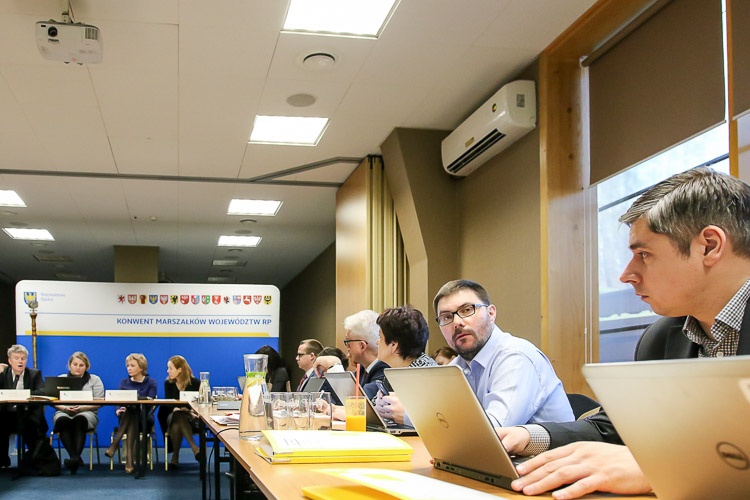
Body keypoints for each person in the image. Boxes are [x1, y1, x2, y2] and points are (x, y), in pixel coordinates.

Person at [498, 167, 750, 499]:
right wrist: (527, 436)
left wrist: (662, 467)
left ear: (709, 246)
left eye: (644, 254)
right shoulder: (660, 337)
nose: (627, 274)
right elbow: (615, 429)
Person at [434, 280, 573, 426]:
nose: (457, 322)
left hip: (545, 442)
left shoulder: (516, 357)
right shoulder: (456, 367)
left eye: (467, 310)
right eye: (446, 317)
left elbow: (495, 430)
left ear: (491, 313)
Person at [373, 305, 437, 425]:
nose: (377, 342)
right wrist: (379, 407)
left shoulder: (425, 374)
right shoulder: (396, 371)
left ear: (393, 345)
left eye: (380, 337)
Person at [51, 351, 105, 474]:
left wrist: (81, 408)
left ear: (86, 367)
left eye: (81, 365)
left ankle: (74, 459)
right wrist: (64, 408)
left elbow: (100, 401)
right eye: (75, 364)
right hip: (64, 411)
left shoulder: (95, 380)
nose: (78, 368)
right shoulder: (61, 379)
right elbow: (53, 400)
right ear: (69, 365)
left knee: (79, 420)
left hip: (87, 412)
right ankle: (75, 458)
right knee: (62, 421)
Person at [105, 353, 158, 474]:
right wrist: (118, 410)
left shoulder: (151, 383)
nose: (129, 368)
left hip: (144, 419)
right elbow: (117, 401)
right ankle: (129, 461)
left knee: (133, 411)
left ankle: (115, 444)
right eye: (128, 366)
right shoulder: (124, 382)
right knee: (130, 412)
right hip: (126, 417)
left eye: (132, 365)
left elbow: (150, 404)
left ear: (141, 367)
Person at [0, 344, 48, 468]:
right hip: (7, 415)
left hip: (27, 415)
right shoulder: (3, 374)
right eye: (16, 358)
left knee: (31, 427)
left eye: (23, 358)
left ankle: (33, 459)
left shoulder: (34, 374)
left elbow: (43, 391)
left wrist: (24, 394)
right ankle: (3, 459)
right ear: (10, 361)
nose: (20, 361)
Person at [157, 355, 200, 468]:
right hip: (171, 416)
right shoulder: (168, 383)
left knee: (177, 423)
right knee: (177, 414)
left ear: (179, 370)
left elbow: (198, 403)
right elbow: (168, 402)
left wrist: (189, 410)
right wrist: (175, 408)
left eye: (170, 368)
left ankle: (175, 456)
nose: (168, 371)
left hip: (190, 417)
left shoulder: (195, 383)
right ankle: (195, 449)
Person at [343, 309, 388, 398]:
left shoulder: (385, 370)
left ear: (362, 346)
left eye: (348, 342)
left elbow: (361, 400)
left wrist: (333, 367)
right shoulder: (362, 370)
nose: (347, 347)